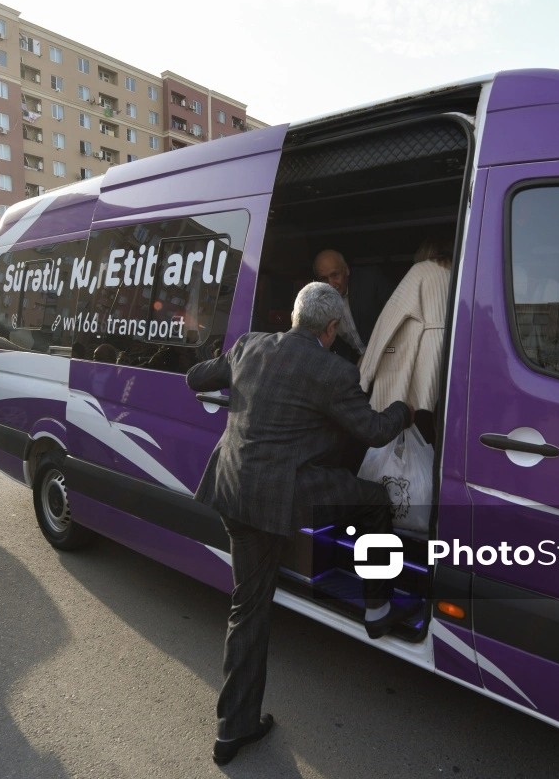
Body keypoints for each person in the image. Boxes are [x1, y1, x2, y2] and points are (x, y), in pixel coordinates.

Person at [186, 281, 418, 765]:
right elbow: (375, 431)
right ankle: (378, 608)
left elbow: (196, 378)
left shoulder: (250, 345)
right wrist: (406, 409)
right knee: (375, 500)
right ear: (331, 328)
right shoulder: (331, 371)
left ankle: (234, 728)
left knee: (246, 608)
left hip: (231, 487)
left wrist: (220, 362)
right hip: (280, 494)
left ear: (294, 316)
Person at [358, 239, 452, 422]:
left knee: (421, 420)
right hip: (451, 348)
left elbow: (390, 320)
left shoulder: (421, 270)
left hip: (427, 352)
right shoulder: (460, 273)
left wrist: (364, 375)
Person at [312, 249, 394, 364]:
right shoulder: (320, 303)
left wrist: (370, 355)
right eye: (324, 279)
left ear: (346, 270)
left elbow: (396, 321)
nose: (331, 284)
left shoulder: (370, 280)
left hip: (390, 352)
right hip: (359, 366)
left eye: (335, 275)